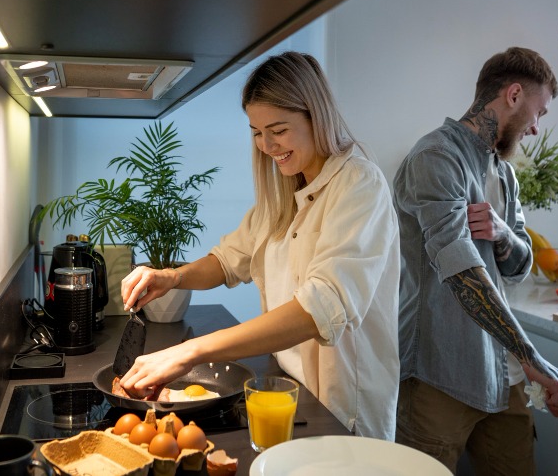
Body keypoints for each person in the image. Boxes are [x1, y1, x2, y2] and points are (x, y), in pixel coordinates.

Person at [118, 51, 400, 439]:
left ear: (316, 116)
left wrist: (191, 351)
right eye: (256, 132)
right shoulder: (285, 189)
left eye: (278, 130)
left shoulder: (359, 185)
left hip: (343, 408)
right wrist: (170, 277)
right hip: (290, 385)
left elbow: (319, 310)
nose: (266, 145)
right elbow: (229, 259)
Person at [392, 47, 558, 474]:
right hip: (439, 373)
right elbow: (462, 272)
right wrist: (533, 358)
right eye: (539, 112)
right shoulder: (435, 157)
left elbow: (520, 267)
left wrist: (503, 233)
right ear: (513, 94)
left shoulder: (506, 173)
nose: (535, 127)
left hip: (503, 373)